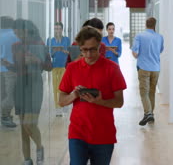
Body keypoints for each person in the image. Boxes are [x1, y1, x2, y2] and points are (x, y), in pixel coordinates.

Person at [58, 26, 126, 165]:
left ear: (100, 46)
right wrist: (74, 95)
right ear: (79, 48)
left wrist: (99, 101)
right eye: (84, 50)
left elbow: (119, 102)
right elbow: (61, 101)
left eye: (93, 49)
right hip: (78, 134)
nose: (88, 54)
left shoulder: (112, 68)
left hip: (104, 135)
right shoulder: (72, 68)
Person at [13, 19, 52, 165]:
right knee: (23, 128)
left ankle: (40, 148)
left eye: (19, 32)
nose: (17, 35)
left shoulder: (40, 45)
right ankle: (27, 160)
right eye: (15, 32)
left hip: (35, 86)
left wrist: (36, 60)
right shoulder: (16, 46)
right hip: (20, 86)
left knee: (30, 124)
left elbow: (49, 66)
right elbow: (15, 68)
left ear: (27, 31)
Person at [131, 17, 164, 126]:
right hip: (156, 68)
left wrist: (138, 56)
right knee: (151, 92)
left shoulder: (139, 36)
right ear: (155, 25)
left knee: (144, 92)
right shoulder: (160, 37)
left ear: (146, 24)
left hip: (144, 67)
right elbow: (160, 50)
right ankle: (151, 114)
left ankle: (148, 113)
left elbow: (134, 52)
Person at [47, 22, 71, 116]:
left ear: (62, 29)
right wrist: (54, 51)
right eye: (55, 29)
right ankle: (57, 107)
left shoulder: (66, 40)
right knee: (55, 87)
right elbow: (48, 54)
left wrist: (63, 50)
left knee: (63, 87)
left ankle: (64, 103)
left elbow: (69, 52)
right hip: (54, 66)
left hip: (64, 66)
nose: (57, 30)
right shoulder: (50, 40)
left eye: (59, 28)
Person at [0, 16, 19, 128]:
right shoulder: (14, 36)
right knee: (11, 95)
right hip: (10, 70)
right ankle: (5, 116)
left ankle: (4, 116)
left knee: (2, 94)